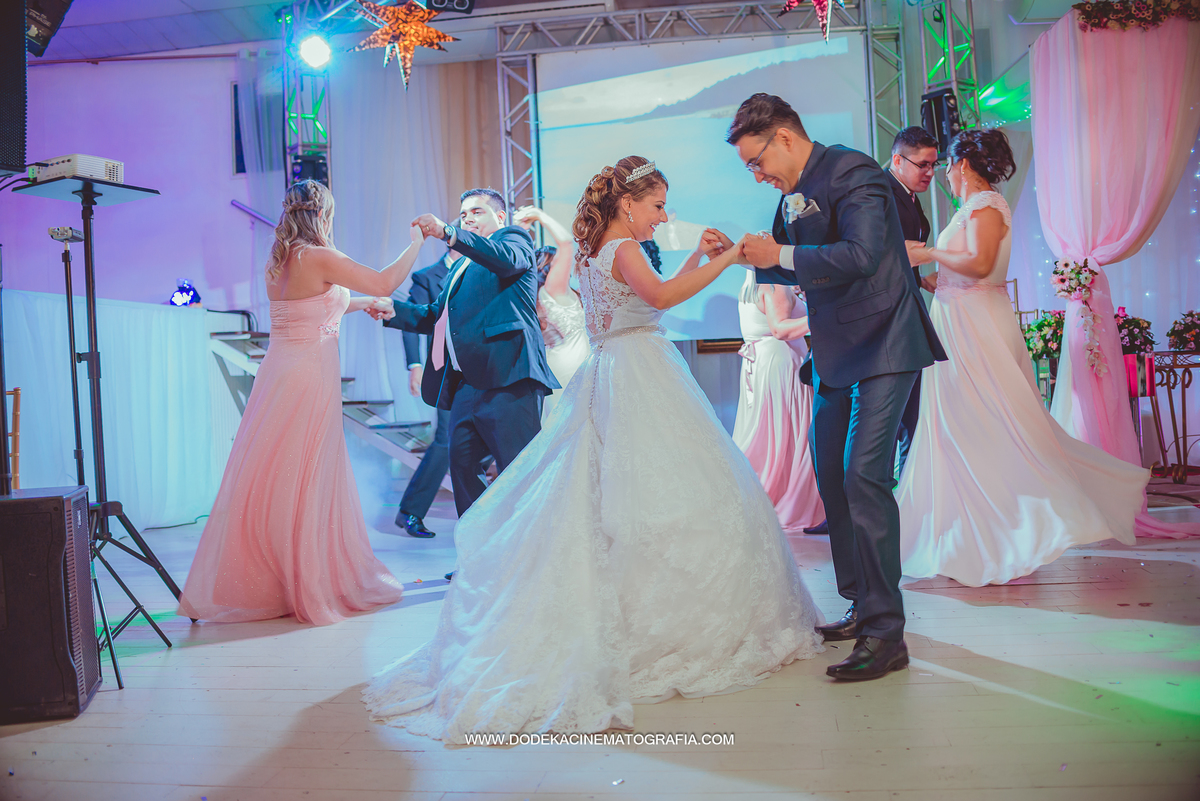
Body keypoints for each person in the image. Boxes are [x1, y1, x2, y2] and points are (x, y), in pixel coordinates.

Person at [362, 156, 824, 742]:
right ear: (628, 204)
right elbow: (657, 300)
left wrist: (697, 258)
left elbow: (644, 297)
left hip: (612, 368)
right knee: (661, 489)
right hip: (639, 368)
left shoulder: (591, 249)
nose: (662, 216)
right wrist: (732, 256)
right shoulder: (621, 246)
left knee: (607, 493)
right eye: (657, 206)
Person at [720, 93, 946, 681]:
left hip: (885, 342)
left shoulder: (853, 171)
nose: (757, 174)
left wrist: (782, 252)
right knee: (832, 480)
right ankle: (859, 604)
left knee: (864, 476)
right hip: (835, 351)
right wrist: (741, 257)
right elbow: (786, 262)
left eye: (756, 162)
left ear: (785, 139)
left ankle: (886, 632)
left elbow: (866, 254)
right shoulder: (790, 194)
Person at [897, 129, 1148, 586]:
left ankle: (1008, 525)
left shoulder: (986, 205)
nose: (945, 177)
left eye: (947, 167)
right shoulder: (975, 208)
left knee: (989, 420)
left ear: (963, 165)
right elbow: (970, 269)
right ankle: (967, 527)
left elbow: (978, 263)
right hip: (960, 316)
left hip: (975, 325)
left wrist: (927, 254)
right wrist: (937, 280)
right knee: (963, 424)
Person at [177, 179, 420, 625]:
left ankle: (275, 580)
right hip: (310, 375)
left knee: (274, 473)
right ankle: (306, 580)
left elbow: (309, 306)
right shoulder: (320, 256)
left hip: (279, 372)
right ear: (323, 213)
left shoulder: (279, 261)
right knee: (307, 473)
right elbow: (387, 279)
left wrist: (362, 303)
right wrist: (416, 243)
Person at [381, 189, 559, 527]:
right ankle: (479, 560)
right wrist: (393, 310)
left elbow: (505, 259)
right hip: (466, 385)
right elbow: (435, 316)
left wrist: (449, 233)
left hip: (509, 377)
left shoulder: (514, 239)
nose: (468, 219)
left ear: (500, 217)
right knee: (464, 473)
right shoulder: (460, 267)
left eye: (477, 212)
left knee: (519, 472)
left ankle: (528, 561)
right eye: (463, 216)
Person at [732, 273, 824, 533]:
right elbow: (781, 329)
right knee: (788, 435)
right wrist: (824, 314)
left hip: (759, 363)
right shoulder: (775, 285)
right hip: (781, 361)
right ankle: (789, 498)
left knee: (771, 433)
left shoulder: (749, 284)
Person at [888, 126, 940, 477]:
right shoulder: (882, 194)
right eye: (923, 164)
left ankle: (909, 489)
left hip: (909, 310)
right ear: (897, 159)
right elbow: (885, 253)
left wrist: (921, 279)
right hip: (888, 321)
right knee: (895, 415)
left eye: (934, 165)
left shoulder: (909, 194)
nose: (930, 173)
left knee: (913, 412)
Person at [393, 254, 452, 539]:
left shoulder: (484, 269)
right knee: (446, 439)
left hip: (479, 368)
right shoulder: (427, 277)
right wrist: (415, 365)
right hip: (445, 371)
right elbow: (411, 320)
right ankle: (411, 511)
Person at [513, 205, 589, 422]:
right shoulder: (554, 289)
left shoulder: (538, 296)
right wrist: (540, 215)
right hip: (572, 365)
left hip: (556, 364)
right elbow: (566, 243)